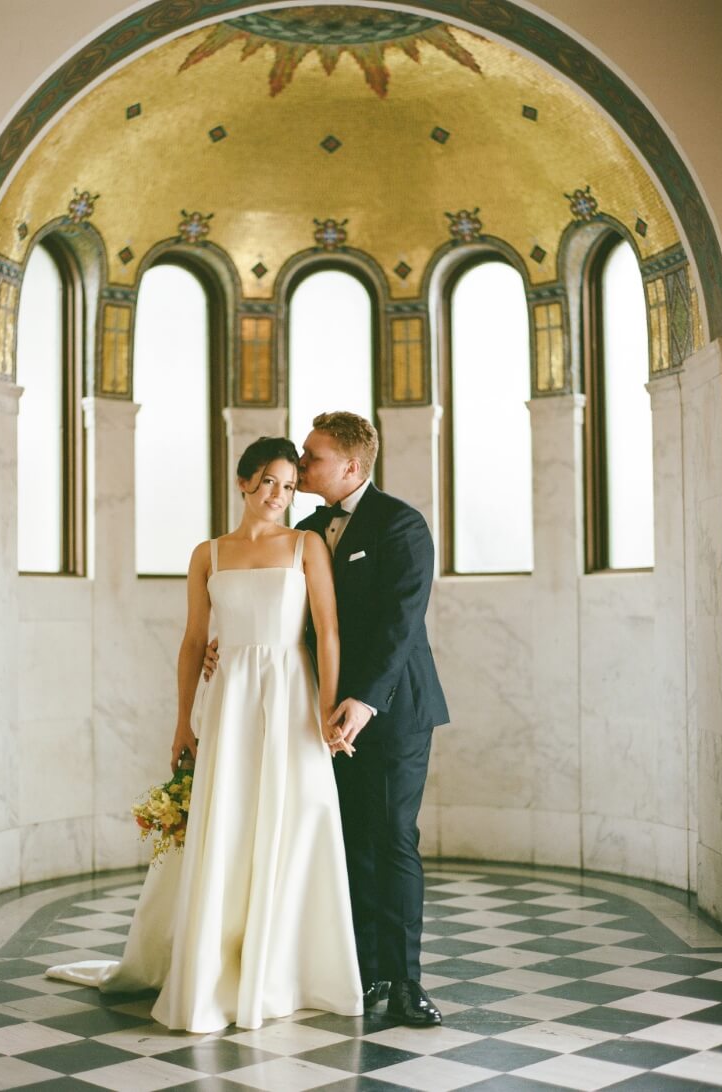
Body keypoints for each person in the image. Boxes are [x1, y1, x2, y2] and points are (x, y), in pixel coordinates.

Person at [46, 437, 362, 1033]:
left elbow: (329, 630)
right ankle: (217, 967)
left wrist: (326, 714)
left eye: (290, 485)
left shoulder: (306, 545)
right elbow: (194, 642)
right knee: (231, 823)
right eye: (269, 481)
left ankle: (285, 970)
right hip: (231, 700)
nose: (279, 494)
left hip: (291, 693)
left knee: (296, 821)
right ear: (243, 482)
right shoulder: (208, 554)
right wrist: (182, 722)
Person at [206, 412, 449, 1027]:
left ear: (351, 465)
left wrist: (363, 700)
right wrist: (228, 642)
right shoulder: (307, 530)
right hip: (317, 713)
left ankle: (406, 982)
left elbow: (402, 624)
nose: (301, 465)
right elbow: (292, 619)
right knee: (348, 844)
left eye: (312, 458)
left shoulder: (402, 524)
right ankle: (364, 975)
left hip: (390, 712)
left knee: (393, 839)